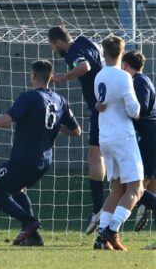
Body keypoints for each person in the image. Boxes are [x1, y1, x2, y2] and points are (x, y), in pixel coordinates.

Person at [0, 60, 81, 247]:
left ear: (33, 76)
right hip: (44, 161)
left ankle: (30, 222)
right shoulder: (60, 100)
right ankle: (33, 236)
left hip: (23, 159)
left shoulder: (29, 97)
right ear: (50, 77)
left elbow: (3, 122)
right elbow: (76, 131)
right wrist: (55, 125)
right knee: (17, 189)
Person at [47, 26, 106, 242]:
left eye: (52, 46)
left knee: (95, 157)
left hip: (100, 109)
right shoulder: (87, 41)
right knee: (116, 159)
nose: (54, 50)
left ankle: (99, 209)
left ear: (58, 42)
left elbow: (84, 66)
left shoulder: (72, 54)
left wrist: (62, 78)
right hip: (110, 105)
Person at [93, 36, 143, 251]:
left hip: (104, 135)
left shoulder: (99, 75)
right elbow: (134, 110)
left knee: (117, 189)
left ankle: (100, 239)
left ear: (104, 53)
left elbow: (101, 104)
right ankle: (112, 230)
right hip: (123, 136)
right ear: (122, 52)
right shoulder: (123, 76)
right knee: (136, 188)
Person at [118, 50, 156, 249]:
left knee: (135, 186)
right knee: (143, 186)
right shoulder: (142, 80)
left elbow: (139, 110)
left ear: (125, 66)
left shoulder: (139, 82)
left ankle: (144, 206)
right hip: (149, 137)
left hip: (150, 138)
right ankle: (144, 207)